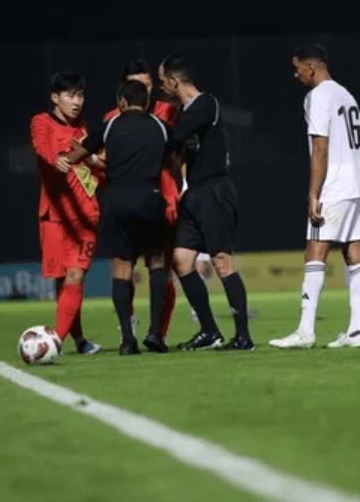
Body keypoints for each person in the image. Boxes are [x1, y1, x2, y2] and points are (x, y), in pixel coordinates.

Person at [269, 43, 360, 349]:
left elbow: (320, 147)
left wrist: (314, 192)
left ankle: (305, 332)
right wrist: (356, 175)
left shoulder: (317, 96)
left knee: (315, 253)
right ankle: (355, 332)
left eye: (297, 67)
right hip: (358, 185)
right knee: (354, 254)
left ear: (310, 67)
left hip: (336, 186)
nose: (295, 73)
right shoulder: (346, 94)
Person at [68, 80, 175, 354]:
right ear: (147, 102)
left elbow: (81, 151)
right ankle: (155, 334)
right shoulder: (160, 126)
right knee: (157, 264)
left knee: (122, 269)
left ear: (122, 102)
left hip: (117, 201)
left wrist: (68, 159)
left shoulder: (111, 125)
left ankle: (128, 339)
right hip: (150, 198)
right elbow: (176, 151)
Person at [159, 54, 254, 351]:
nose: (161, 89)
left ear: (175, 82)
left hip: (215, 190)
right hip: (195, 192)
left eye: (162, 82)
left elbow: (174, 140)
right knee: (182, 261)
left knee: (222, 261)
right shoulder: (184, 112)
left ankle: (243, 337)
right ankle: (210, 331)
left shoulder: (205, 104)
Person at [102, 58, 180, 340]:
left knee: (165, 266)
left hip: (165, 197)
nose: (144, 89)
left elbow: (178, 154)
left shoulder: (169, 112)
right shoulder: (112, 118)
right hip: (138, 198)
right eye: (137, 84)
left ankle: (158, 330)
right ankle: (130, 327)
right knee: (131, 265)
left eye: (147, 84)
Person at [29, 70, 103, 356]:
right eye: (70, 95)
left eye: (81, 95)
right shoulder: (42, 121)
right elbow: (41, 146)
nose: (77, 101)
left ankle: (54, 343)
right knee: (64, 280)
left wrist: (99, 163)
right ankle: (80, 340)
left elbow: (97, 172)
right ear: (55, 98)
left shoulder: (85, 133)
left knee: (75, 276)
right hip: (55, 215)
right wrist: (54, 159)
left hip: (85, 216)